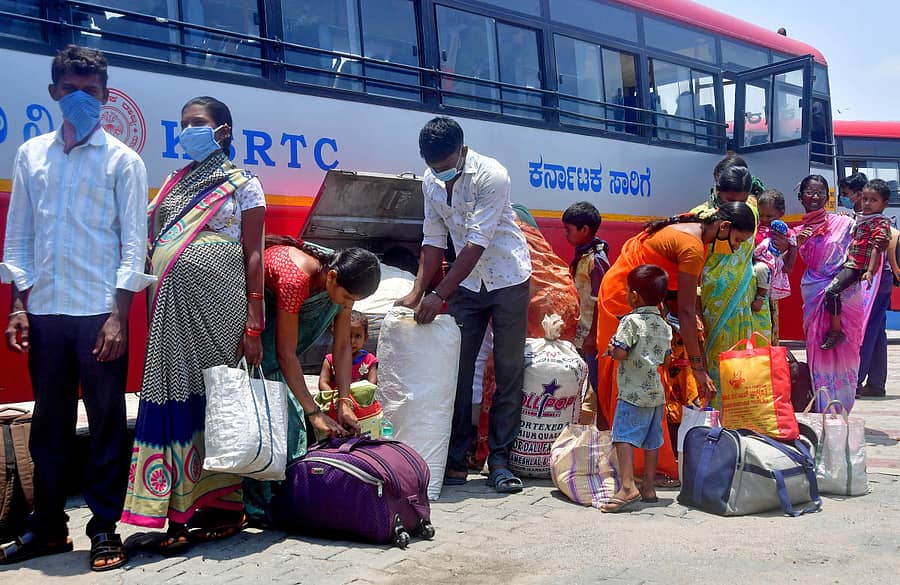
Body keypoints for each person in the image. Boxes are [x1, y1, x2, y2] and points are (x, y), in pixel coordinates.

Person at [0, 45, 151, 570]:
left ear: (107, 96)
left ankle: (105, 527)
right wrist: (21, 303)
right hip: (44, 311)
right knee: (49, 424)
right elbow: (19, 235)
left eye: (91, 91)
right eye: (71, 89)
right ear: (53, 93)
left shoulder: (123, 161)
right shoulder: (31, 155)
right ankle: (47, 530)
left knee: (106, 420)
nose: (81, 98)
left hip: (97, 313)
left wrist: (118, 316)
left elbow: (135, 245)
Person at [120, 96, 266, 552]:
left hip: (220, 309)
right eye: (183, 124)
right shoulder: (172, 181)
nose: (187, 131)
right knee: (169, 395)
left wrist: (254, 323)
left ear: (222, 129)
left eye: (196, 123)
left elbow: (255, 254)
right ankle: (173, 510)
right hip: (169, 307)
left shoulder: (245, 184)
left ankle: (226, 506)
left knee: (214, 400)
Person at [396, 117, 532, 494]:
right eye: (432, 167)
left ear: (462, 150)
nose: (440, 173)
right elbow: (433, 236)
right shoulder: (431, 180)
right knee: (454, 368)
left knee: (507, 370)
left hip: (508, 278)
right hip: (468, 284)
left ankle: (500, 460)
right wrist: (418, 289)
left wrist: (440, 295)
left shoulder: (493, 175)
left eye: (445, 165)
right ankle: (455, 457)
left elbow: (476, 242)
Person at [594, 201, 758, 481]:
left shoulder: (699, 236)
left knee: (645, 383)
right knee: (624, 380)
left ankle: (639, 472)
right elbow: (684, 311)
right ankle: (628, 470)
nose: (737, 248)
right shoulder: (693, 247)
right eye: (738, 241)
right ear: (725, 227)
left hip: (643, 300)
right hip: (624, 297)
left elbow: (681, 303)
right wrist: (699, 368)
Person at [243, 236, 380, 522]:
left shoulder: (340, 276)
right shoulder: (297, 278)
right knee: (283, 427)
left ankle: (281, 502)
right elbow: (285, 354)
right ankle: (262, 509)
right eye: (346, 298)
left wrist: (345, 401)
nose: (347, 305)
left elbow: (341, 345)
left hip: (282, 357)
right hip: (263, 353)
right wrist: (314, 412)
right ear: (331, 277)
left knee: (290, 427)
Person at [795, 175, 874, 411]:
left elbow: (865, 244)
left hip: (846, 295)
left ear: (827, 197)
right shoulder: (798, 231)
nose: (815, 197)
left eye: (820, 193)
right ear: (800, 197)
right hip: (814, 293)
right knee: (818, 349)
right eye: (810, 192)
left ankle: (843, 407)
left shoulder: (845, 222)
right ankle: (822, 407)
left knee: (848, 352)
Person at [693, 165, 771, 403]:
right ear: (717, 190)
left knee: (742, 366)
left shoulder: (752, 213)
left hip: (743, 302)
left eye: (741, 201)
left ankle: (740, 422)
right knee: (714, 364)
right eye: (728, 200)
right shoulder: (700, 217)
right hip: (710, 305)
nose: (734, 208)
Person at [600, 265, 672, 512]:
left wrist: (611, 349)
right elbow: (666, 360)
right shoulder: (664, 325)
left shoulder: (630, 322)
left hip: (632, 392)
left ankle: (628, 486)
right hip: (656, 394)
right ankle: (649, 487)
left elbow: (621, 353)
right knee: (652, 441)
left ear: (634, 296)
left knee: (622, 436)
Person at [819, 179, 892, 350]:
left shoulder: (880, 223)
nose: (867, 203)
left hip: (857, 267)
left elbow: (877, 248)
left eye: (873, 200)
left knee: (832, 291)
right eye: (865, 199)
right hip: (850, 263)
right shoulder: (862, 219)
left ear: (885, 203)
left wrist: (870, 271)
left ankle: (836, 332)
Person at [561, 201, 610, 428]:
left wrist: (593, 337)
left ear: (584, 230)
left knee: (597, 387)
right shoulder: (584, 255)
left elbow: (601, 301)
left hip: (592, 336)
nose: (565, 235)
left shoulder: (596, 260)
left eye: (568, 229)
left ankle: (602, 432)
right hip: (582, 333)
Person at [751, 189, 798, 342]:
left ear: (781, 212)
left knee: (772, 311)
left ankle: (760, 298)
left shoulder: (783, 231)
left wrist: (789, 266)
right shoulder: (756, 227)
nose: (764, 219)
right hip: (754, 268)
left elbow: (793, 245)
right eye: (761, 215)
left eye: (769, 216)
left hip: (770, 270)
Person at [318, 310, 378, 390]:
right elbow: (323, 382)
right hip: (335, 399)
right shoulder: (330, 360)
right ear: (336, 336)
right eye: (347, 335)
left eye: (358, 336)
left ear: (365, 338)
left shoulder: (369, 360)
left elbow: (372, 384)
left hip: (361, 400)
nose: (352, 341)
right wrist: (334, 396)